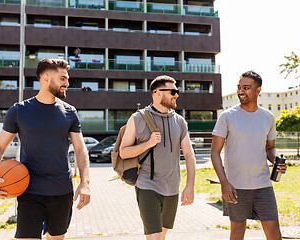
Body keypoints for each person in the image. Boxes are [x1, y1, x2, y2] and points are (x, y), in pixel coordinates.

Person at [0, 58, 91, 240]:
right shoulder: (19, 110)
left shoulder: (70, 112)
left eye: (67, 79)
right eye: (62, 78)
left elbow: (80, 149)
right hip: (29, 191)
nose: (67, 83)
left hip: (61, 192)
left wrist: (85, 183)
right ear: (46, 78)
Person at [211, 70, 287, 240]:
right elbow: (215, 152)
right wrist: (224, 183)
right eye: (239, 87)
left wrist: (276, 160)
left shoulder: (268, 117)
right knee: (237, 232)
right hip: (235, 186)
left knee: (274, 231)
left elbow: (270, 149)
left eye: (246, 87)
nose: (240, 91)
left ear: (258, 90)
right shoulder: (227, 117)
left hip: (263, 185)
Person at [120, 75, 196, 240]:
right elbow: (123, 152)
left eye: (177, 91)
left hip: (172, 187)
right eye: (173, 91)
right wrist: (147, 144)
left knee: (161, 235)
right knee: (154, 237)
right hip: (147, 185)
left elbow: (189, 155)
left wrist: (190, 186)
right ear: (157, 93)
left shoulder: (180, 121)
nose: (176, 95)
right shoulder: (137, 118)